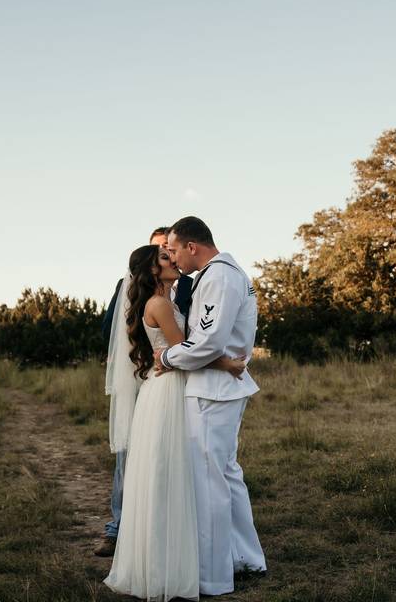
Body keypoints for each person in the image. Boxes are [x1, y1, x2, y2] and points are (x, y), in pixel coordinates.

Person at [104, 245, 245, 601]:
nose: (173, 262)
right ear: (153, 270)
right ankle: (167, 564)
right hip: (168, 390)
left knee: (171, 472)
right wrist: (226, 364)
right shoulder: (160, 304)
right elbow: (184, 352)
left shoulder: (166, 301)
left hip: (165, 385)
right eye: (165, 259)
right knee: (170, 472)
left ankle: (176, 557)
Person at [156, 216, 267, 596]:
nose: (173, 258)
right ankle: (246, 558)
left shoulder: (219, 276)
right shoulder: (225, 273)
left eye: (174, 250)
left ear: (192, 246)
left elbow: (208, 342)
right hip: (222, 387)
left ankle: (213, 576)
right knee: (226, 474)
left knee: (208, 482)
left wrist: (168, 358)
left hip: (212, 391)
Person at [95, 227, 194, 558]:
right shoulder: (140, 293)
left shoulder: (187, 285)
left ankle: (169, 528)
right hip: (149, 377)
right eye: (163, 252)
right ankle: (120, 527)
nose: (170, 256)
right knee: (134, 455)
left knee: (164, 455)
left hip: (165, 374)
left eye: (171, 250)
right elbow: (116, 326)